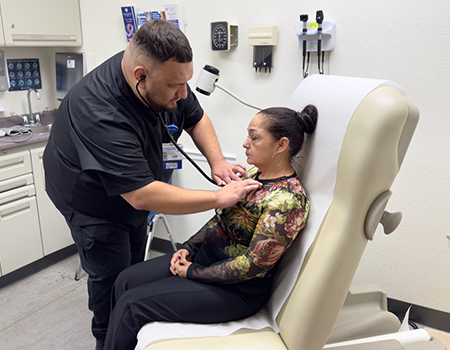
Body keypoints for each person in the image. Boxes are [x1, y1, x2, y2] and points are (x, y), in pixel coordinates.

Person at [43, 20, 260, 350]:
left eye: (185, 83)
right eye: (176, 87)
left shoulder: (166, 76)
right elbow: (142, 195)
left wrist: (217, 162)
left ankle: (127, 328)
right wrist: (218, 197)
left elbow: (196, 118)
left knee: (131, 269)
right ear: (140, 76)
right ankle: (107, 337)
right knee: (109, 277)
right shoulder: (98, 110)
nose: (183, 94)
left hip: (132, 197)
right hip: (91, 203)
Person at [103, 105, 318, 350]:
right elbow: (219, 220)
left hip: (236, 291)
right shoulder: (253, 176)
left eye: (254, 137)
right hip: (203, 261)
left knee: (132, 305)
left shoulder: (286, 202)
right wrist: (187, 248)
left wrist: (192, 272)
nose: (245, 143)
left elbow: (252, 265)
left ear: (281, 145)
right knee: (124, 281)